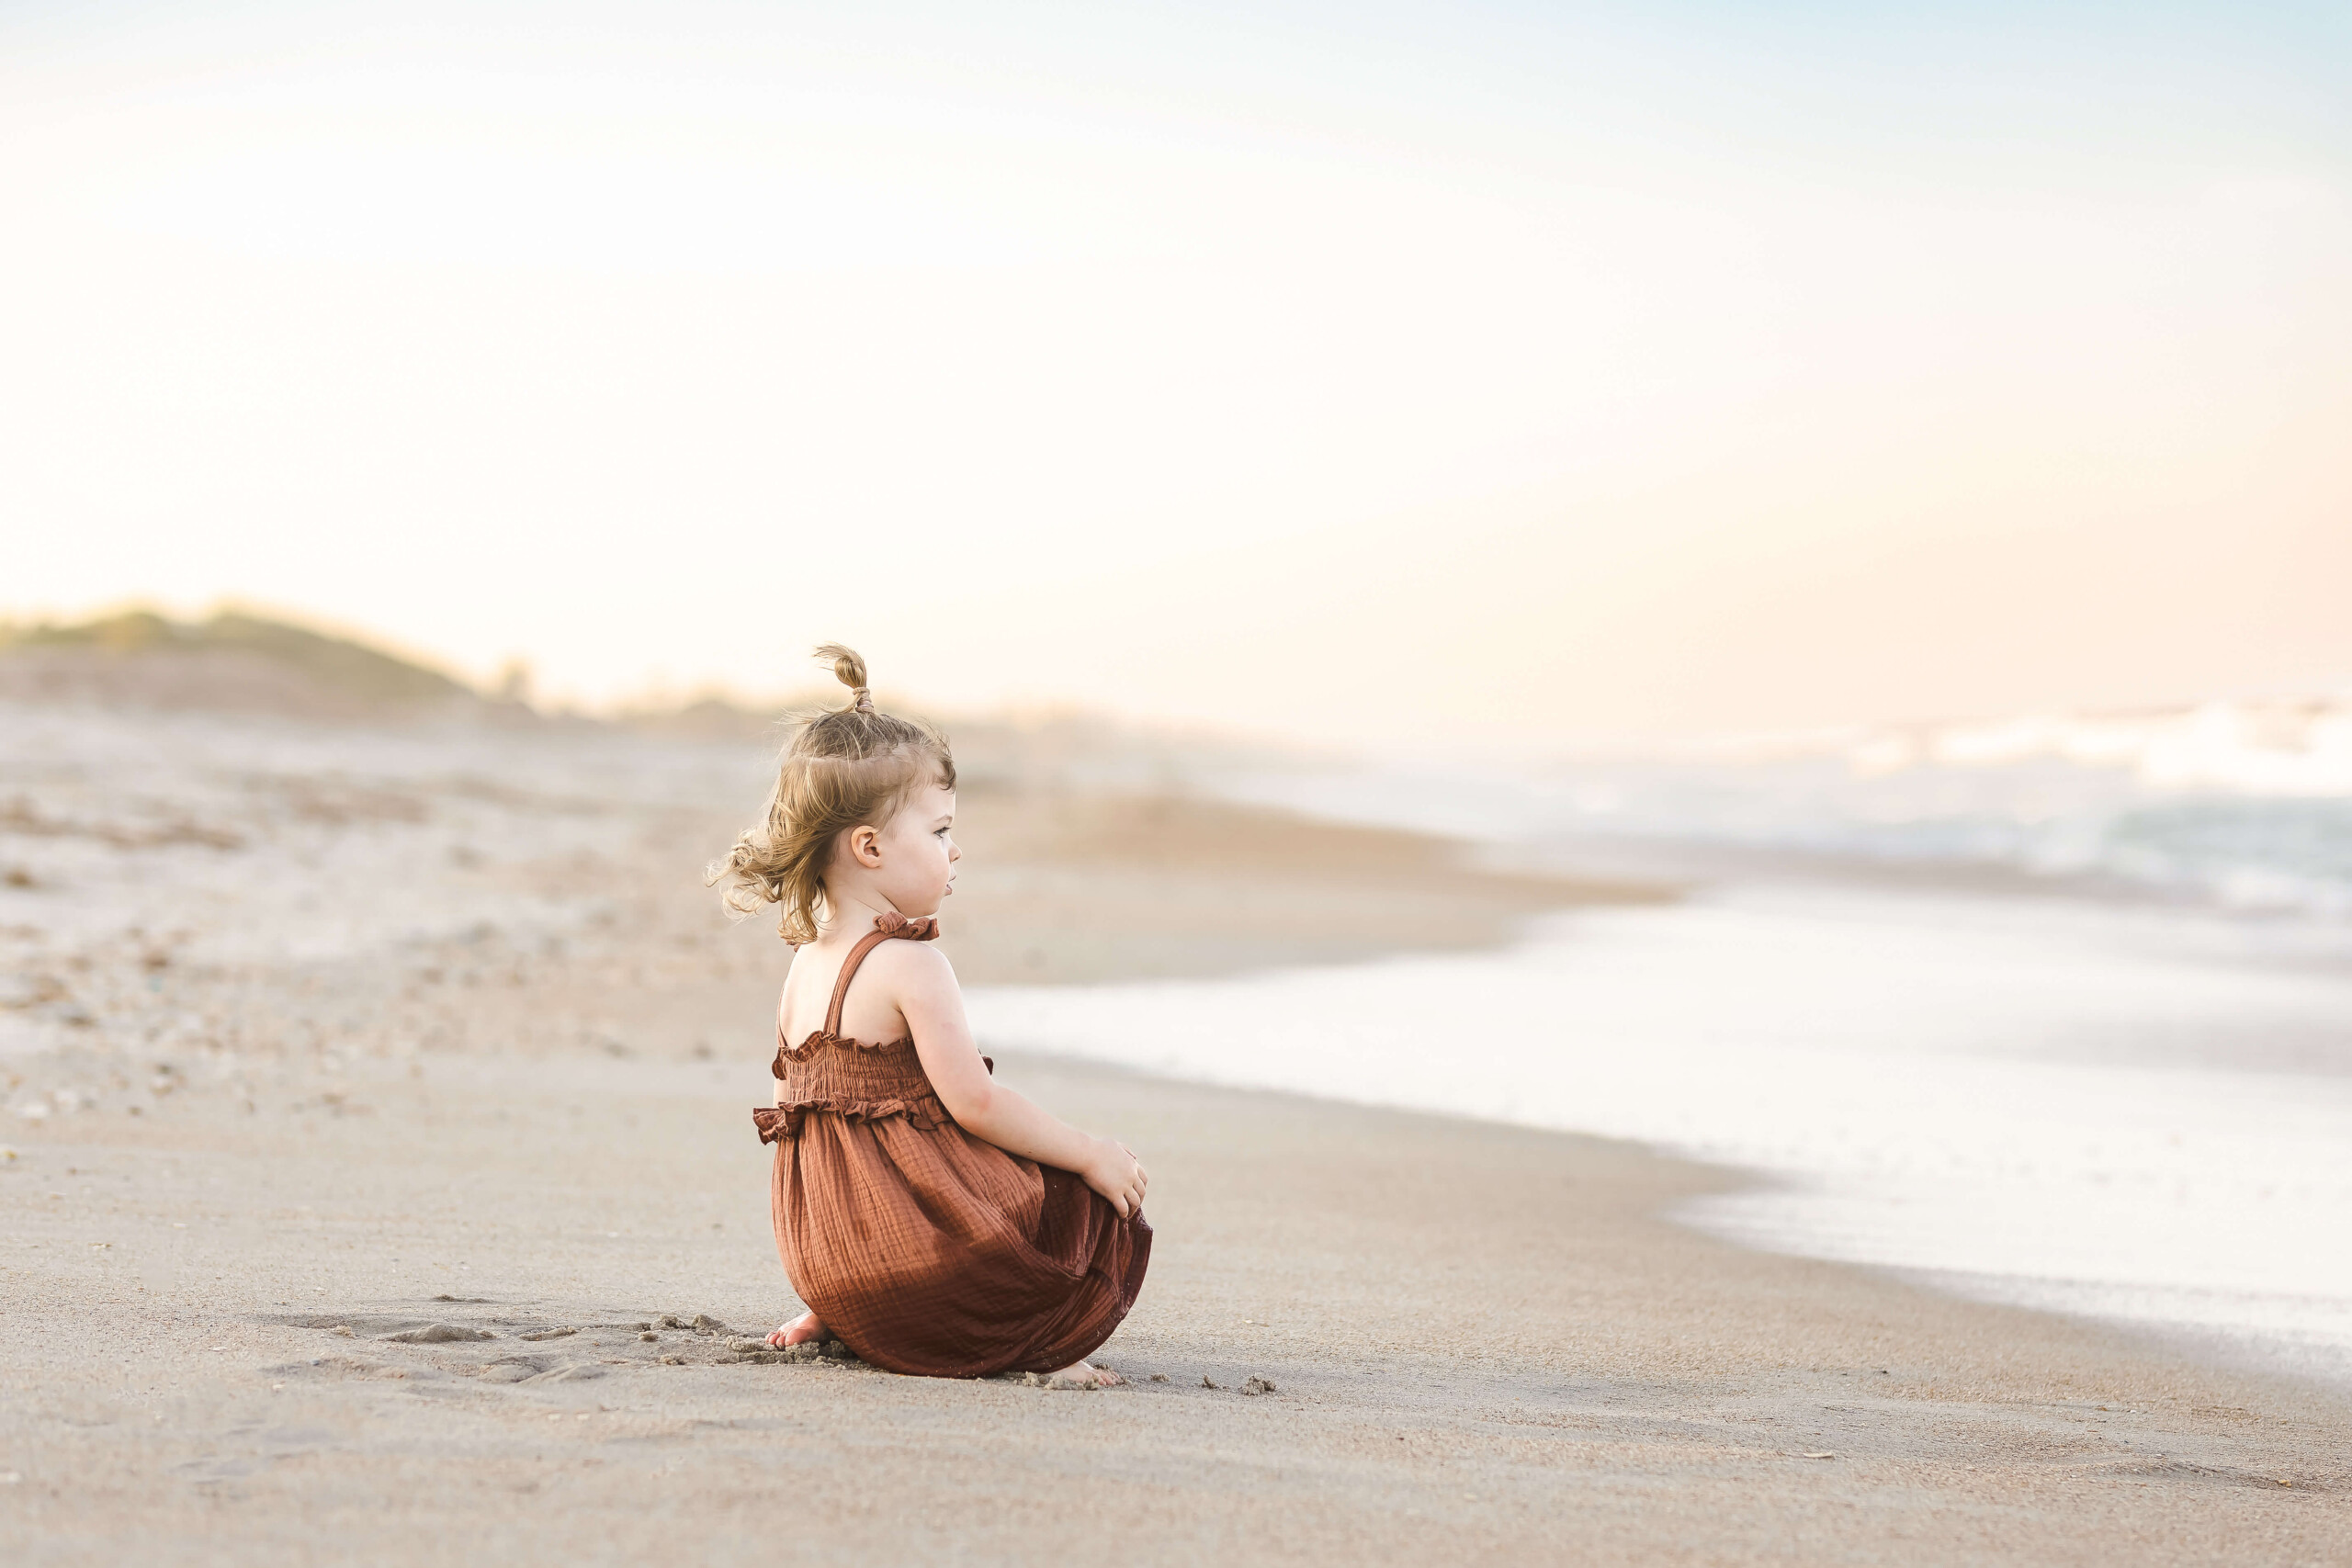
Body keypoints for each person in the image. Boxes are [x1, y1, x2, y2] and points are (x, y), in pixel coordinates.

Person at [708, 644, 1150, 1383]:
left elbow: (806, 1127)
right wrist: (1088, 1150)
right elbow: (975, 1103)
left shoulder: (807, 962)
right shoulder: (912, 963)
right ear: (871, 847)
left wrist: (833, 1277)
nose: (956, 852)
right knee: (1086, 1199)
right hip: (920, 1269)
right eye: (940, 832)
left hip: (829, 1260)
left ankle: (846, 1318)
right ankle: (1025, 1346)